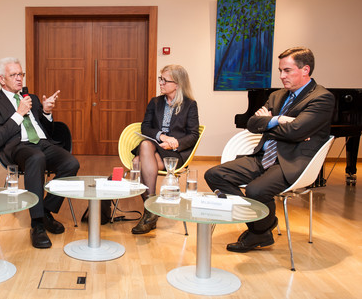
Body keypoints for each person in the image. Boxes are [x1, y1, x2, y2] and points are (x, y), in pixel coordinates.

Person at [204, 47, 334, 252]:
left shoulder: (321, 98)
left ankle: (258, 232)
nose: (282, 76)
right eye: (280, 70)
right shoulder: (277, 96)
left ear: (305, 69)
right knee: (214, 174)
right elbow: (252, 124)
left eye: (287, 70)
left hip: (292, 161)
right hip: (263, 157)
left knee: (256, 190)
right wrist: (278, 120)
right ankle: (263, 226)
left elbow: (294, 132)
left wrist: (270, 124)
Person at [0, 57, 80, 249]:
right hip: (19, 148)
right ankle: (37, 225)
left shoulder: (31, 98)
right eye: (14, 75)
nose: (19, 79)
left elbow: (48, 130)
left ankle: (45, 210)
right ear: (2, 79)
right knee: (36, 158)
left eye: (21, 74)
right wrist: (18, 113)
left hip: (43, 143)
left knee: (71, 163)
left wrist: (46, 112)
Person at [131, 64, 200, 234]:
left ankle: (150, 210)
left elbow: (193, 134)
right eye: (160, 79)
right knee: (146, 145)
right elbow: (145, 128)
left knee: (137, 162)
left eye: (164, 80)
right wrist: (162, 136)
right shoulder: (155, 102)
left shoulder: (190, 105)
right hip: (155, 147)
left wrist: (175, 142)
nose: (160, 83)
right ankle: (151, 209)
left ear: (177, 83)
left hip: (174, 153)